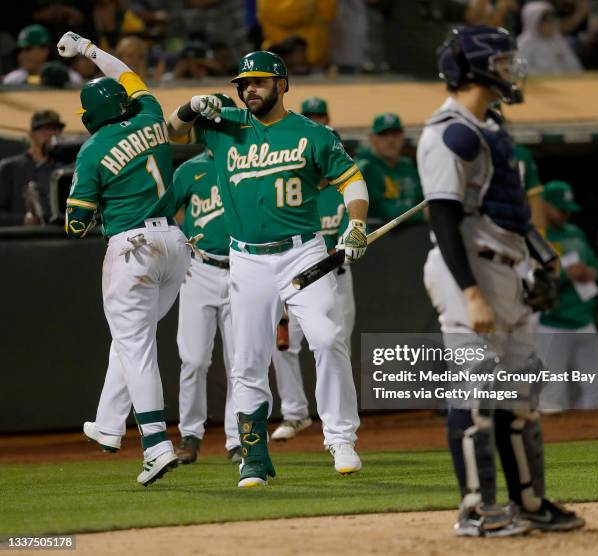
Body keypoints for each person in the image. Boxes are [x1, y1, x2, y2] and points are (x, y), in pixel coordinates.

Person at [166, 50, 369, 487]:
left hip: (304, 250)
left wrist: (355, 223)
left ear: (283, 84)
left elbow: (352, 179)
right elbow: (169, 132)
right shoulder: (223, 128)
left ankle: (340, 436)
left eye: (259, 81)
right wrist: (189, 106)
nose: (249, 89)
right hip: (247, 257)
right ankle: (254, 455)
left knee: (329, 337)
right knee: (248, 357)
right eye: (244, 83)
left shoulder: (313, 133)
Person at [418, 25, 585, 536]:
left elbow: (510, 214)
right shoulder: (447, 131)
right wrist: (470, 292)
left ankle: (529, 502)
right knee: (476, 399)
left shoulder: (488, 126)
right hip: (468, 272)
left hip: (507, 269)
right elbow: (444, 219)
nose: (513, 70)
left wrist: (542, 261)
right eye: (505, 61)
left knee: (521, 401)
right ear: (478, 66)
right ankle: (477, 510)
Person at [56, 30, 190, 486]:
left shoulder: (92, 150)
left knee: (135, 346)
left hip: (133, 248)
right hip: (175, 246)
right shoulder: (151, 113)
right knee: (132, 338)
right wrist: (89, 49)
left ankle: (156, 444)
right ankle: (109, 425)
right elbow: (126, 74)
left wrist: (88, 212)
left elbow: (76, 223)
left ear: (93, 116)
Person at [271, 102, 356, 442]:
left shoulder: (345, 194)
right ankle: (294, 413)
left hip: (336, 279)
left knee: (334, 345)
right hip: (295, 277)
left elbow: (352, 236)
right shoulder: (293, 192)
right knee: (284, 346)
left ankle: (335, 426)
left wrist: (349, 245)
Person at [168, 93, 242, 465]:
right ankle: (190, 436)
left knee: (239, 361)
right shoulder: (191, 170)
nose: (215, 128)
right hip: (200, 269)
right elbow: (164, 213)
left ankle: (236, 439)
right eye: (211, 122)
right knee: (194, 360)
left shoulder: (247, 164)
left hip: (243, 270)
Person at [536, 180, 598, 410]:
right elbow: (531, 280)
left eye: (568, 210)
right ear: (545, 205)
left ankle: (587, 440)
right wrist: (566, 275)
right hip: (552, 323)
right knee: (552, 396)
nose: (565, 215)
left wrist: (592, 272)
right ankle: (551, 444)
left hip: (583, 320)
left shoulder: (575, 232)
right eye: (561, 209)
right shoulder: (539, 236)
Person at [0, 109, 65, 226]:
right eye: (45, 129)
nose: (51, 134)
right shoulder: (9, 168)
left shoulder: (64, 170)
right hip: (23, 240)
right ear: (31, 133)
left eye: (56, 129)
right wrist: (22, 220)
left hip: (61, 238)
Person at [356, 113, 424, 223]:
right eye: (383, 134)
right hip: (377, 235)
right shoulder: (366, 168)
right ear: (372, 138)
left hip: (414, 234)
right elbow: (380, 210)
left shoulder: (407, 166)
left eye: (395, 134)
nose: (390, 140)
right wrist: (421, 214)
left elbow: (420, 198)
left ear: (403, 136)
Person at [3, 24, 81, 86]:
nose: (22, 55)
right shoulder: (13, 79)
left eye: (28, 49)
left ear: (45, 50)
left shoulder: (70, 78)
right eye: (20, 51)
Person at [518, 1, 583, 74]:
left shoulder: (557, 40)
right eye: (547, 22)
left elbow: (574, 66)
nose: (552, 24)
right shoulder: (525, 43)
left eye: (552, 20)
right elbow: (520, 70)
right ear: (534, 21)